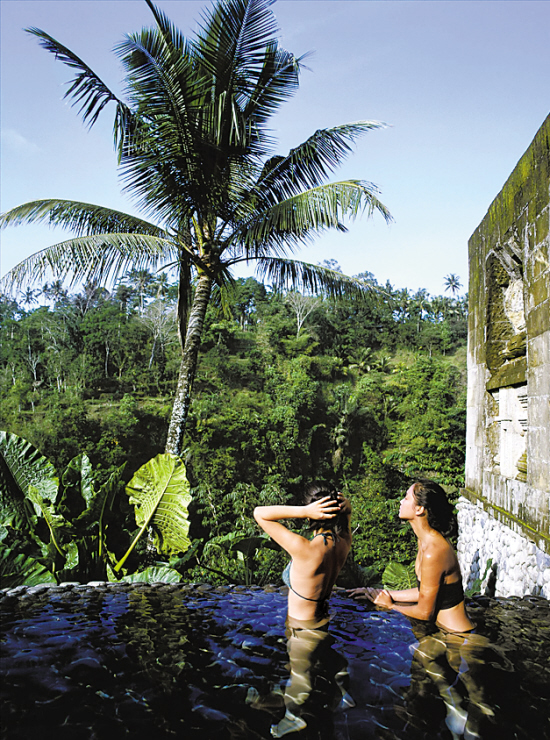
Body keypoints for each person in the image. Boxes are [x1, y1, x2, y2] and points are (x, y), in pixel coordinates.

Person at [253, 485, 353, 737]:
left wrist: (302, 510)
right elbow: (346, 529)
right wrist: (347, 513)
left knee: (300, 673)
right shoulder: (341, 544)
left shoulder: (304, 548)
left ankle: (293, 717)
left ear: (313, 515)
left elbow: (259, 513)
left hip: (302, 628)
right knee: (325, 658)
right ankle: (344, 691)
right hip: (322, 621)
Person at [348, 479, 474, 634]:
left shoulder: (433, 551)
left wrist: (390, 606)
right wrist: (378, 593)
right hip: (445, 631)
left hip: (457, 635)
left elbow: (425, 613)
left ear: (420, 509)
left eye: (406, 498)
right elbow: (425, 591)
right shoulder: (425, 541)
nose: (401, 501)